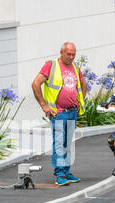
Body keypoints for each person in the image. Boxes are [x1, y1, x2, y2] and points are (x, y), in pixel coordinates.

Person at [31, 42, 87, 186]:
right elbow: (36, 84)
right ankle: (60, 174)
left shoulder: (75, 66)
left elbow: (82, 83)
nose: (71, 57)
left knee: (67, 143)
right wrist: (44, 105)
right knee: (59, 143)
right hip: (58, 112)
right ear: (61, 52)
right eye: (68, 54)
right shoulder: (51, 65)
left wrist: (81, 100)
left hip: (72, 111)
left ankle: (66, 172)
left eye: (73, 54)